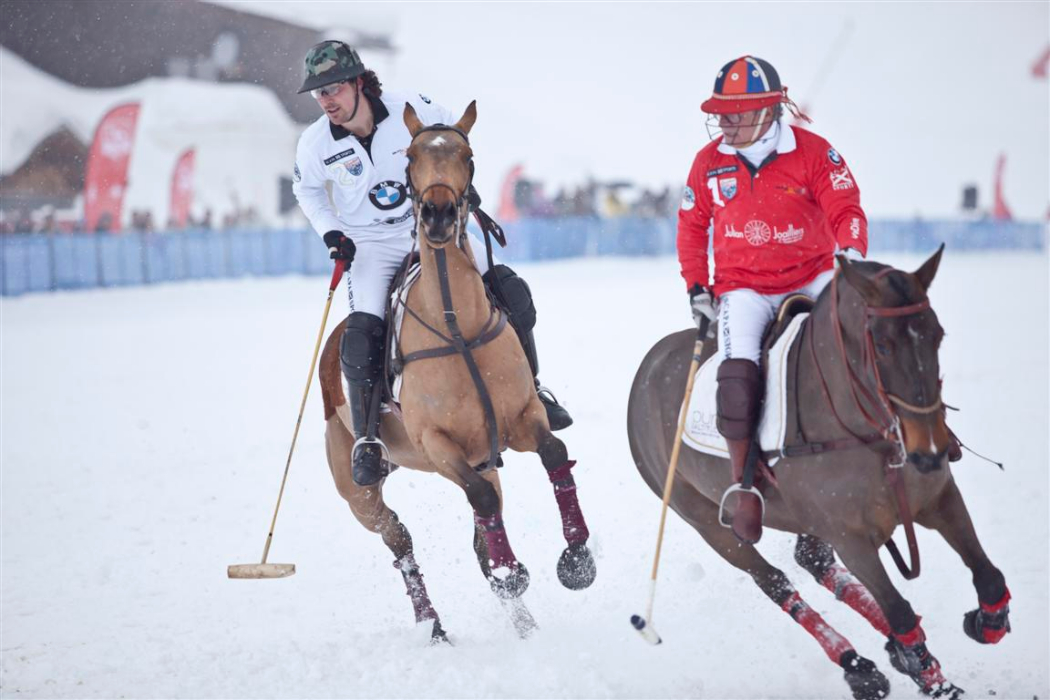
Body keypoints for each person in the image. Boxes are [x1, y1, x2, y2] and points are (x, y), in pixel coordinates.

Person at [292, 40, 572, 488]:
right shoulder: (315, 143)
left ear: (359, 83)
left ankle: (535, 391)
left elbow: (454, 140)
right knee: (361, 336)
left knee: (511, 290)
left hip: (430, 226)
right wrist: (332, 232)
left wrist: (461, 188)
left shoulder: (411, 107)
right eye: (319, 93)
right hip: (371, 244)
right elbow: (306, 191)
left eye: (334, 88)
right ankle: (368, 438)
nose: (327, 100)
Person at [677, 55, 869, 545]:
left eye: (734, 114)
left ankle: (902, 438)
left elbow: (846, 209)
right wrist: (698, 287)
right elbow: (692, 228)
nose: (724, 123)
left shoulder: (814, 152)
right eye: (720, 114)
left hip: (813, 277)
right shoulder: (709, 162)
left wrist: (850, 254)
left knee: (866, 344)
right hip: (744, 288)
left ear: (766, 112)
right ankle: (745, 487)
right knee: (737, 377)